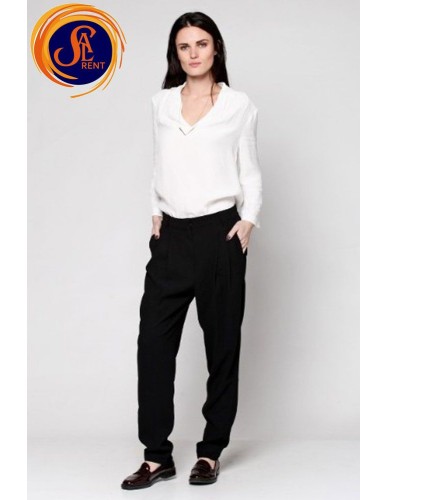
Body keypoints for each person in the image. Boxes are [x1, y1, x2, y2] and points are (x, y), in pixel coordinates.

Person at [121, 11, 263, 490]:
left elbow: (250, 170)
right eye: (185, 46)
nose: (194, 53)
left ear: (215, 47)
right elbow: (159, 163)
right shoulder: (161, 103)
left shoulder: (239, 105)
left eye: (201, 43)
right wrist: (155, 211)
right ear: (175, 54)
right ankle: (156, 457)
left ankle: (210, 451)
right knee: (153, 347)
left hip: (221, 234)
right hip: (172, 238)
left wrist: (248, 220)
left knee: (222, 347)